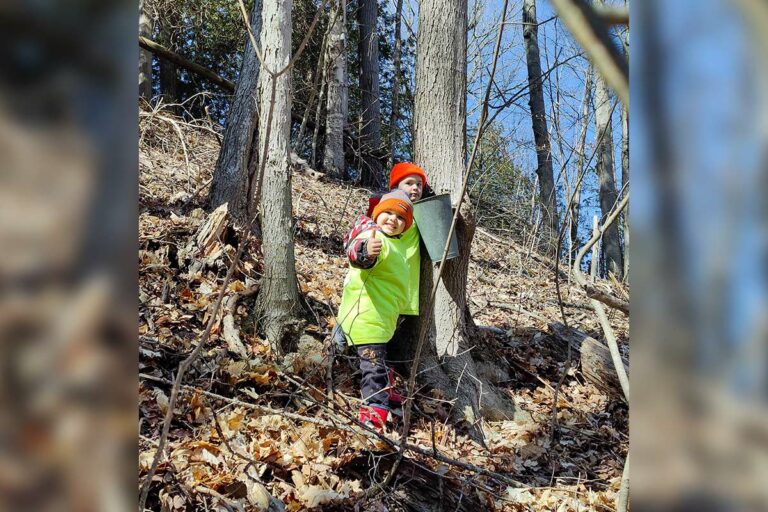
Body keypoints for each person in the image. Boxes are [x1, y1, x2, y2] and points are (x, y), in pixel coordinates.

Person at [336, 190, 416, 429]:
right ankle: (373, 418)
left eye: (400, 217)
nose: (393, 219)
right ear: (377, 215)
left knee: (380, 364)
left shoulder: (399, 245)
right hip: (366, 318)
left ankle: (385, 395)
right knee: (374, 372)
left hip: (381, 320)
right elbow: (357, 251)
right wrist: (364, 252)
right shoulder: (375, 237)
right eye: (388, 213)